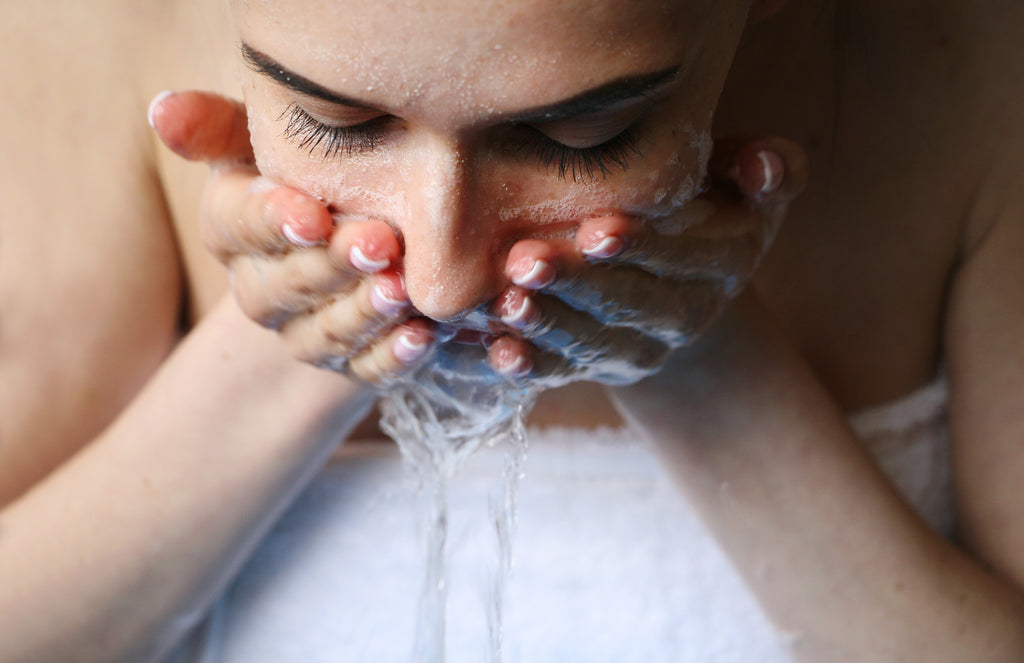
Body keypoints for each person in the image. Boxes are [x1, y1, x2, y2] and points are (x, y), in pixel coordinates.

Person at [1, 0, 1023, 661]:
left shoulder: (976, 71)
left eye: (582, 134)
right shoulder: (72, 41)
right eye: (338, 122)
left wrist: (703, 363)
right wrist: (290, 340)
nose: (443, 283)